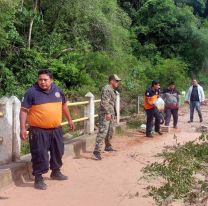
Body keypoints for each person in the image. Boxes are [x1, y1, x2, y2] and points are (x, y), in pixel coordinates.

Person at [20, 69, 75, 190]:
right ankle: (38, 178)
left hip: (56, 129)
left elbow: (64, 105)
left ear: (51, 80)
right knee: (39, 154)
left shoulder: (58, 91)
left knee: (58, 151)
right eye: (40, 79)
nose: (43, 82)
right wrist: (23, 128)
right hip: (38, 131)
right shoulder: (31, 93)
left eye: (45, 80)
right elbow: (24, 110)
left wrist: (70, 119)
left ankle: (55, 172)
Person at [93, 74, 121, 160]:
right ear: (111, 80)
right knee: (103, 132)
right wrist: (108, 113)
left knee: (110, 130)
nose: (118, 83)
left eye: (118, 81)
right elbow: (104, 102)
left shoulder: (112, 90)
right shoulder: (107, 89)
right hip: (105, 114)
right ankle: (97, 151)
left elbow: (111, 103)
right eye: (116, 81)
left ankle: (108, 146)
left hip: (111, 113)